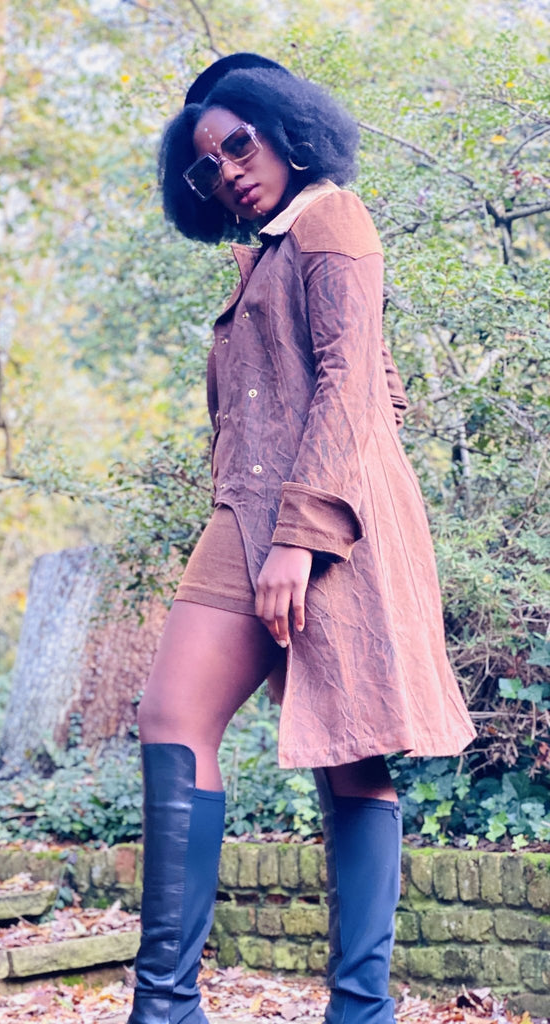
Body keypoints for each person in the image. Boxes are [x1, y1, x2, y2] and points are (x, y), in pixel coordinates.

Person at [127, 53, 476, 1024]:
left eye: (240, 144)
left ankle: (360, 1010)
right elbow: (369, 382)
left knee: (350, 751)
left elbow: (352, 388)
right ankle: (165, 1007)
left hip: (325, 529)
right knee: (171, 717)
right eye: (207, 165)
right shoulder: (275, 251)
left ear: (286, 130)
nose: (229, 171)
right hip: (241, 517)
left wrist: (302, 535)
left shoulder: (332, 217)